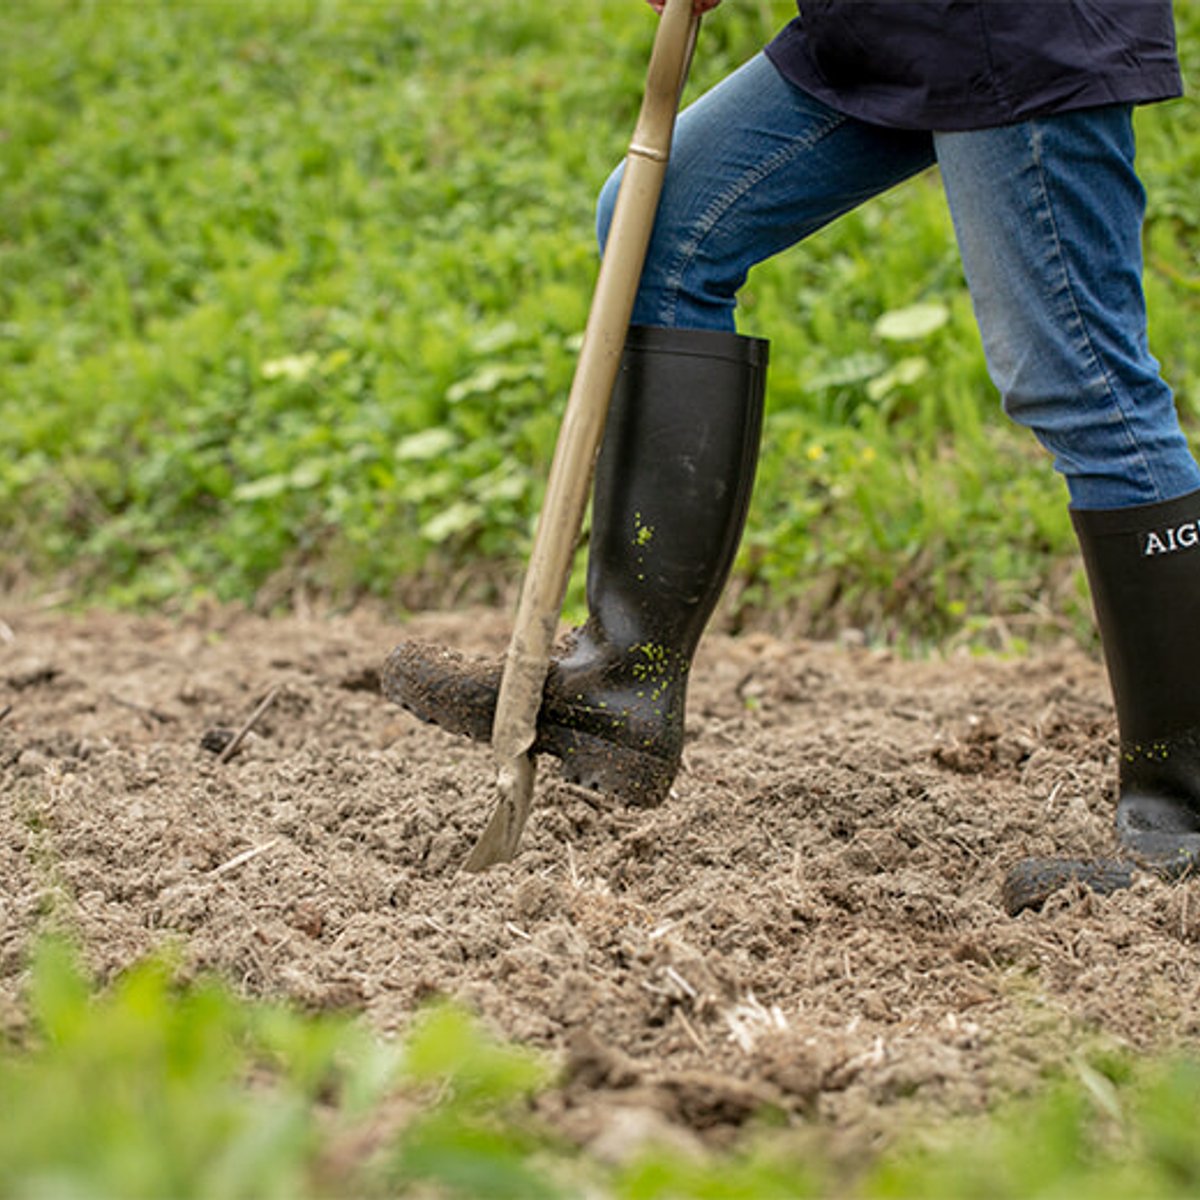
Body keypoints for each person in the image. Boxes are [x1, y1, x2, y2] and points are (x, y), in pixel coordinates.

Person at [384, 1, 1200, 870]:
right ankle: (624, 682)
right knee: (660, 224)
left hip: (1012, 25)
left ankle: (1181, 812)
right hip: (893, 23)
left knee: (1080, 381)